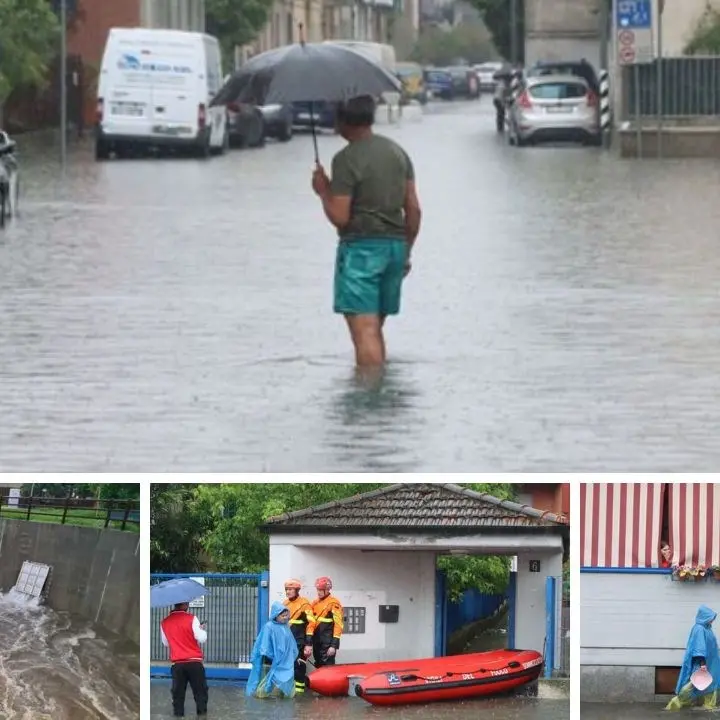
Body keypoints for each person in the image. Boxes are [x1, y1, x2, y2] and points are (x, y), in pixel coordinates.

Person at [311, 94, 422, 368]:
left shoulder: (346, 159)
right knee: (374, 330)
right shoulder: (398, 153)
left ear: (343, 122)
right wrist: (406, 251)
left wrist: (323, 191)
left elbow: (340, 216)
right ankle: (378, 394)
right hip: (395, 250)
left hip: (362, 252)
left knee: (364, 332)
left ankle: (369, 399)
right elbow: (414, 210)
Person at [666, 605, 719, 711]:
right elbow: (699, 648)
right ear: (704, 617)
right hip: (702, 663)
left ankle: (709, 704)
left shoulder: (707, 628)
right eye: (710, 618)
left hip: (711, 662)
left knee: (711, 683)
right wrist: (703, 664)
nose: (712, 620)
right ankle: (676, 703)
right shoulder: (699, 629)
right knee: (694, 683)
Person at [160, 602, 208, 717]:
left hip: (177, 665)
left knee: (178, 696)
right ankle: (202, 716)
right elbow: (202, 638)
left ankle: (179, 716)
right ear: (185, 605)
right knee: (200, 694)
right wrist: (201, 630)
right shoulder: (192, 619)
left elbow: (165, 643)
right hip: (194, 663)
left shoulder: (164, 622)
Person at [246, 601, 299, 698]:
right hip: (271, 660)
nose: (285, 618)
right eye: (283, 616)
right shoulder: (269, 626)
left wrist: (294, 655)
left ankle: (284, 696)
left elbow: (291, 643)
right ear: (276, 615)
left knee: (286, 679)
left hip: (285, 661)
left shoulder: (285, 627)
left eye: (286, 615)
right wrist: (272, 657)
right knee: (268, 680)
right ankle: (262, 696)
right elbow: (264, 645)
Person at [283, 579, 315, 694]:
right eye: (286, 589)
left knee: (298, 666)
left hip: (300, 641)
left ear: (297, 590)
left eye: (290, 589)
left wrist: (308, 643)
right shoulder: (285, 604)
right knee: (288, 666)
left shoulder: (304, 604)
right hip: (287, 641)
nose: (288, 592)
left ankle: (299, 693)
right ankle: (290, 690)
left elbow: (311, 623)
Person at [309, 576, 343, 667]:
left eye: (321, 590)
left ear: (327, 590)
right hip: (317, 641)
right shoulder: (315, 603)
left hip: (327, 643)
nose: (318, 592)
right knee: (318, 666)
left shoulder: (334, 603)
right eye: (318, 590)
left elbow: (338, 625)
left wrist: (333, 646)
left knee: (328, 668)